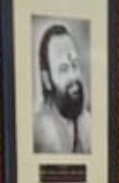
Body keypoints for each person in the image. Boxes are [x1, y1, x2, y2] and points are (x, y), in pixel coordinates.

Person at [31, 22, 92, 154]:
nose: (73, 76)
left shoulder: (86, 122)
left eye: (74, 65)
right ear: (47, 80)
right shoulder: (44, 129)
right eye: (63, 69)